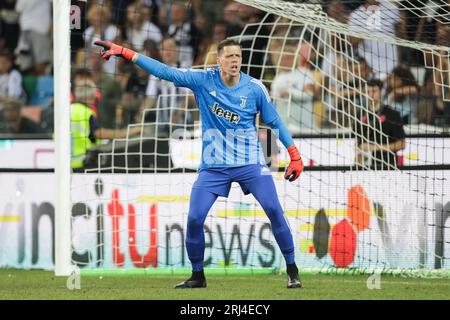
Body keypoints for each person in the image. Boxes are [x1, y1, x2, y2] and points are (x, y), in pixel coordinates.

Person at [95, 38, 305, 289]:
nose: (235, 61)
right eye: (229, 56)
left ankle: (292, 270)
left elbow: (276, 123)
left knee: (274, 209)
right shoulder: (204, 80)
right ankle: (198, 276)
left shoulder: (254, 88)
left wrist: (295, 154)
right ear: (219, 61)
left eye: (238, 56)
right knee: (195, 218)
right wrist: (127, 54)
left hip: (250, 162)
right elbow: (165, 71)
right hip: (214, 166)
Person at [71, 75, 141, 169]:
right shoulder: (86, 112)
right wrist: (128, 132)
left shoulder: (68, 109)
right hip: (84, 162)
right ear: (93, 95)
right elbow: (99, 133)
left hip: (65, 162)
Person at [354, 79, 406, 170]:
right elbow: (358, 142)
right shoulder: (360, 114)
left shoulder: (392, 114)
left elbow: (401, 144)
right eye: (367, 92)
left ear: (381, 92)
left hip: (388, 165)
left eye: (374, 91)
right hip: (366, 166)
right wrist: (358, 153)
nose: (370, 95)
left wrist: (375, 148)